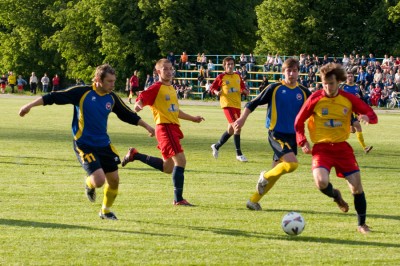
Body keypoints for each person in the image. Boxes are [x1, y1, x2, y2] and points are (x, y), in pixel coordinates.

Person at [18, 64, 155, 220]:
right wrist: (28, 106)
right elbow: (53, 97)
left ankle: (105, 211)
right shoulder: (82, 92)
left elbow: (127, 114)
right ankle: (89, 183)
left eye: (113, 81)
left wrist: (148, 127)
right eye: (109, 81)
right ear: (98, 79)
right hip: (84, 144)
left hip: (104, 144)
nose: (112, 84)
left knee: (114, 181)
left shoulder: (112, 97)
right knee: (98, 180)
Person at [294, 62, 378, 234]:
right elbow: (298, 122)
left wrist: (366, 117)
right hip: (322, 148)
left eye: (331, 83)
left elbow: (371, 114)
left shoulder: (348, 98)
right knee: (321, 182)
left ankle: (362, 224)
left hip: (342, 149)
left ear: (338, 82)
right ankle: (336, 196)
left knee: (356, 187)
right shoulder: (315, 98)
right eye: (324, 83)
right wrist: (302, 141)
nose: (327, 87)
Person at [121, 58, 204, 206]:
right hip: (165, 128)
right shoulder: (157, 87)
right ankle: (178, 199)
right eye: (165, 69)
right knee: (181, 161)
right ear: (158, 71)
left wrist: (193, 118)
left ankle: (135, 155)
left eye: (170, 68)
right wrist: (139, 104)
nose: (169, 71)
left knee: (168, 167)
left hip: (172, 127)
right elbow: (143, 96)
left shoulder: (171, 88)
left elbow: (176, 111)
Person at [234, 58, 310, 211]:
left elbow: (317, 108)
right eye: (289, 70)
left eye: (295, 70)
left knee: (276, 173)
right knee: (292, 164)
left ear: (298, 72)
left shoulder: (303, 92)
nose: (292, 73)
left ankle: (253, 201)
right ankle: (265, 175)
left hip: (293, 137)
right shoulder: (274, 88)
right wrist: (242, 119)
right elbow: (252, 103)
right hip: (276, 134)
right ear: (283, 72)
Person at [210, 56, 249, 162]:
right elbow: (212, 87)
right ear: (225, 66)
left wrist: (245, 91)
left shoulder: (237, 76)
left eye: (232, 64)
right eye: (228, 64)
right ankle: (239, 154)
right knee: (237, 126)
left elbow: (242, 87)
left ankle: (216, 146)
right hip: (227, 105)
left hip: (237, 105)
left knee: (231, 130)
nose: (230, 66)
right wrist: (217, 92)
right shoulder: (221, 76)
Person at [340, 72, 372, 153]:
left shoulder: (357, 87)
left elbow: (362, 99)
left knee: (353, 130)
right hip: (345, 111)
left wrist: (360, 97)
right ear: (346, 78)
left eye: (351, 76)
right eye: (348, 76)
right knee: (357, 126)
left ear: (354, 78)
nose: (350, 77)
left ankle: (364, 147)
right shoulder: (342, 87)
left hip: (354, 111)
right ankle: (365, 147)